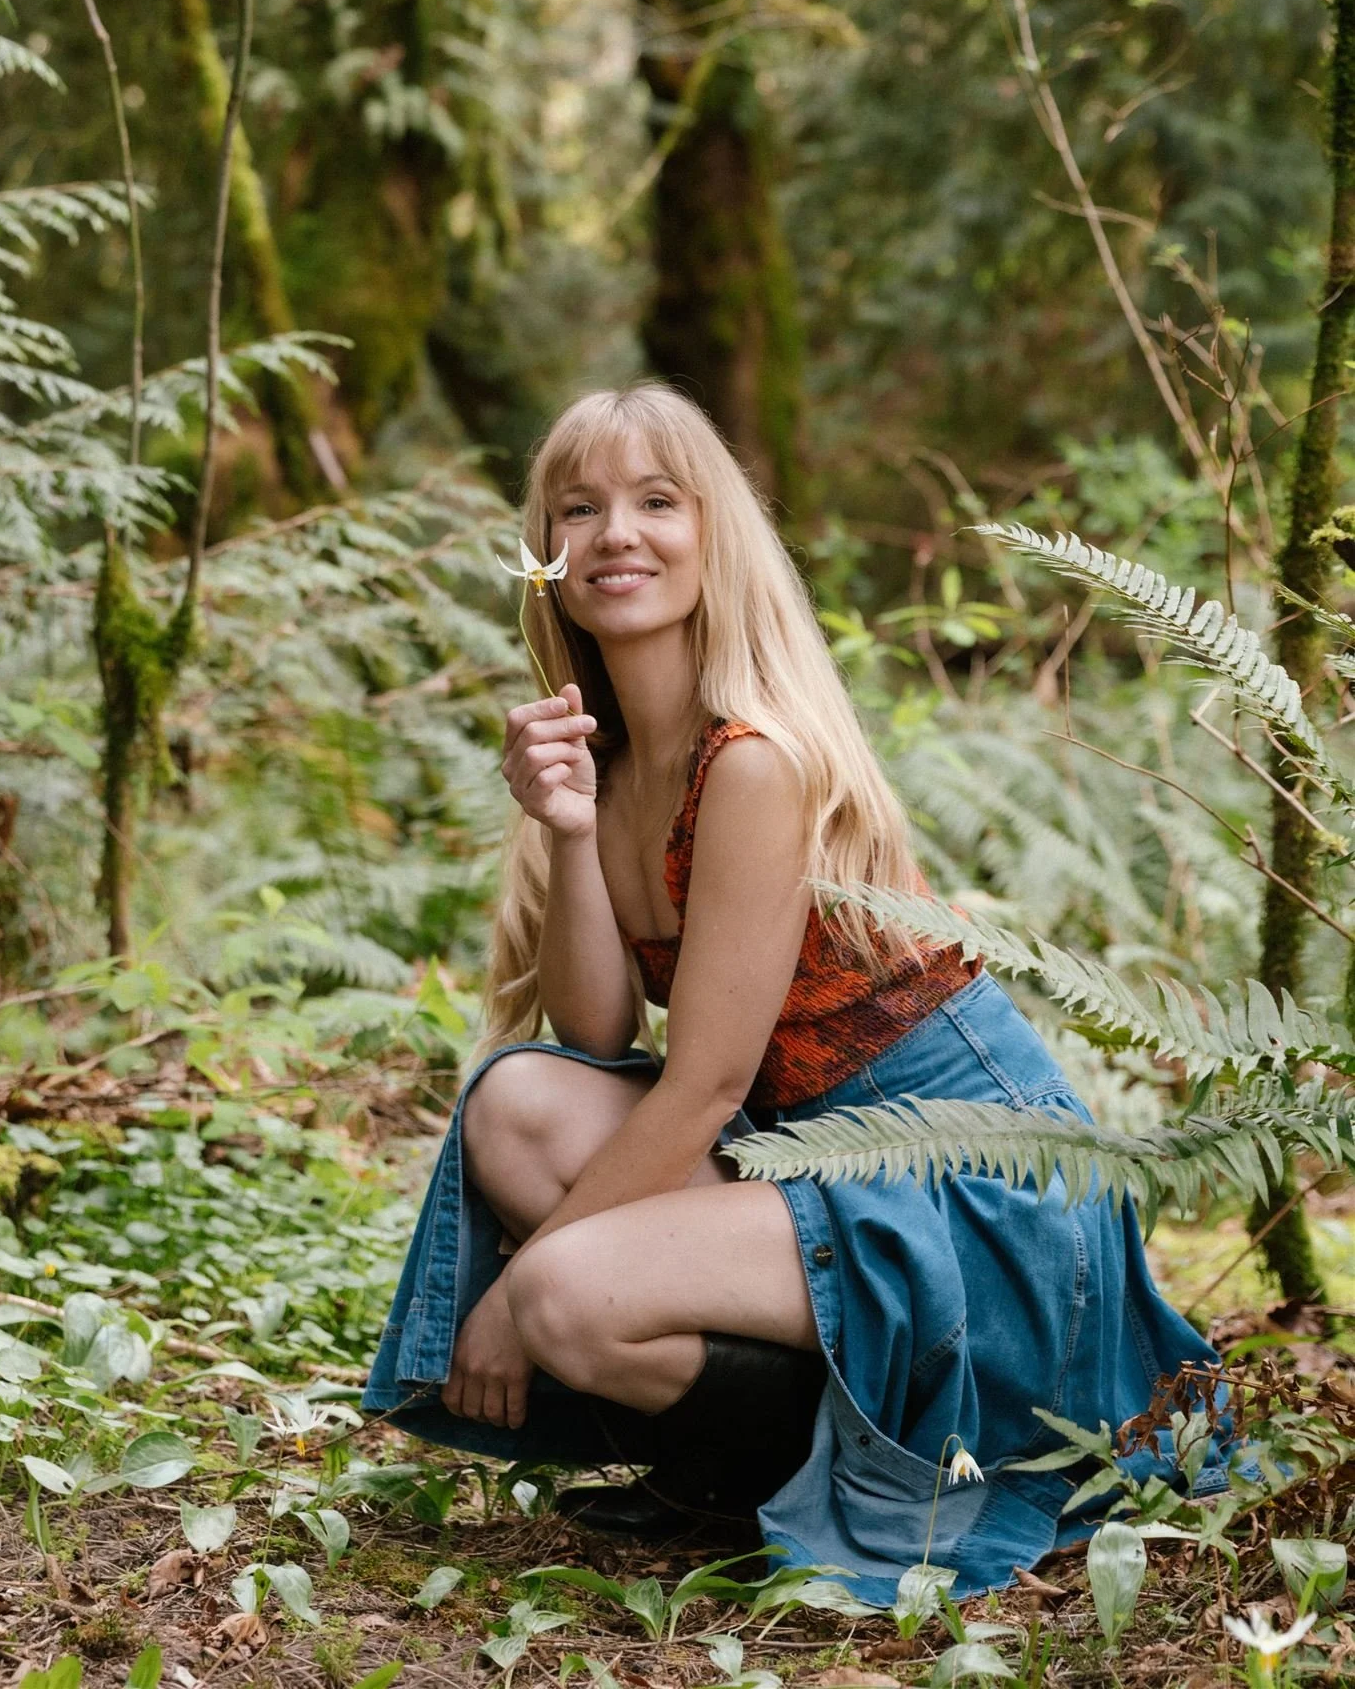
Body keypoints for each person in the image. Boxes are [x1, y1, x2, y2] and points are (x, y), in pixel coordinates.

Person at [363, 382, 1222, 1599]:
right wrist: (563, 826)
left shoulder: (753, 759)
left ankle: (784, 1464)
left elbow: (705, 1080)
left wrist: (509, 1287)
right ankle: (773, 1446)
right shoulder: (610, 763)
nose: (618, 532)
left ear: (715, 534)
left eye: (658, 501)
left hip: (965, 1184)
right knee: (514, 1103)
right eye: (581, 506)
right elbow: (597, 1030)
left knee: (559, 1295)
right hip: (809, 1153)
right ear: (544, 553)